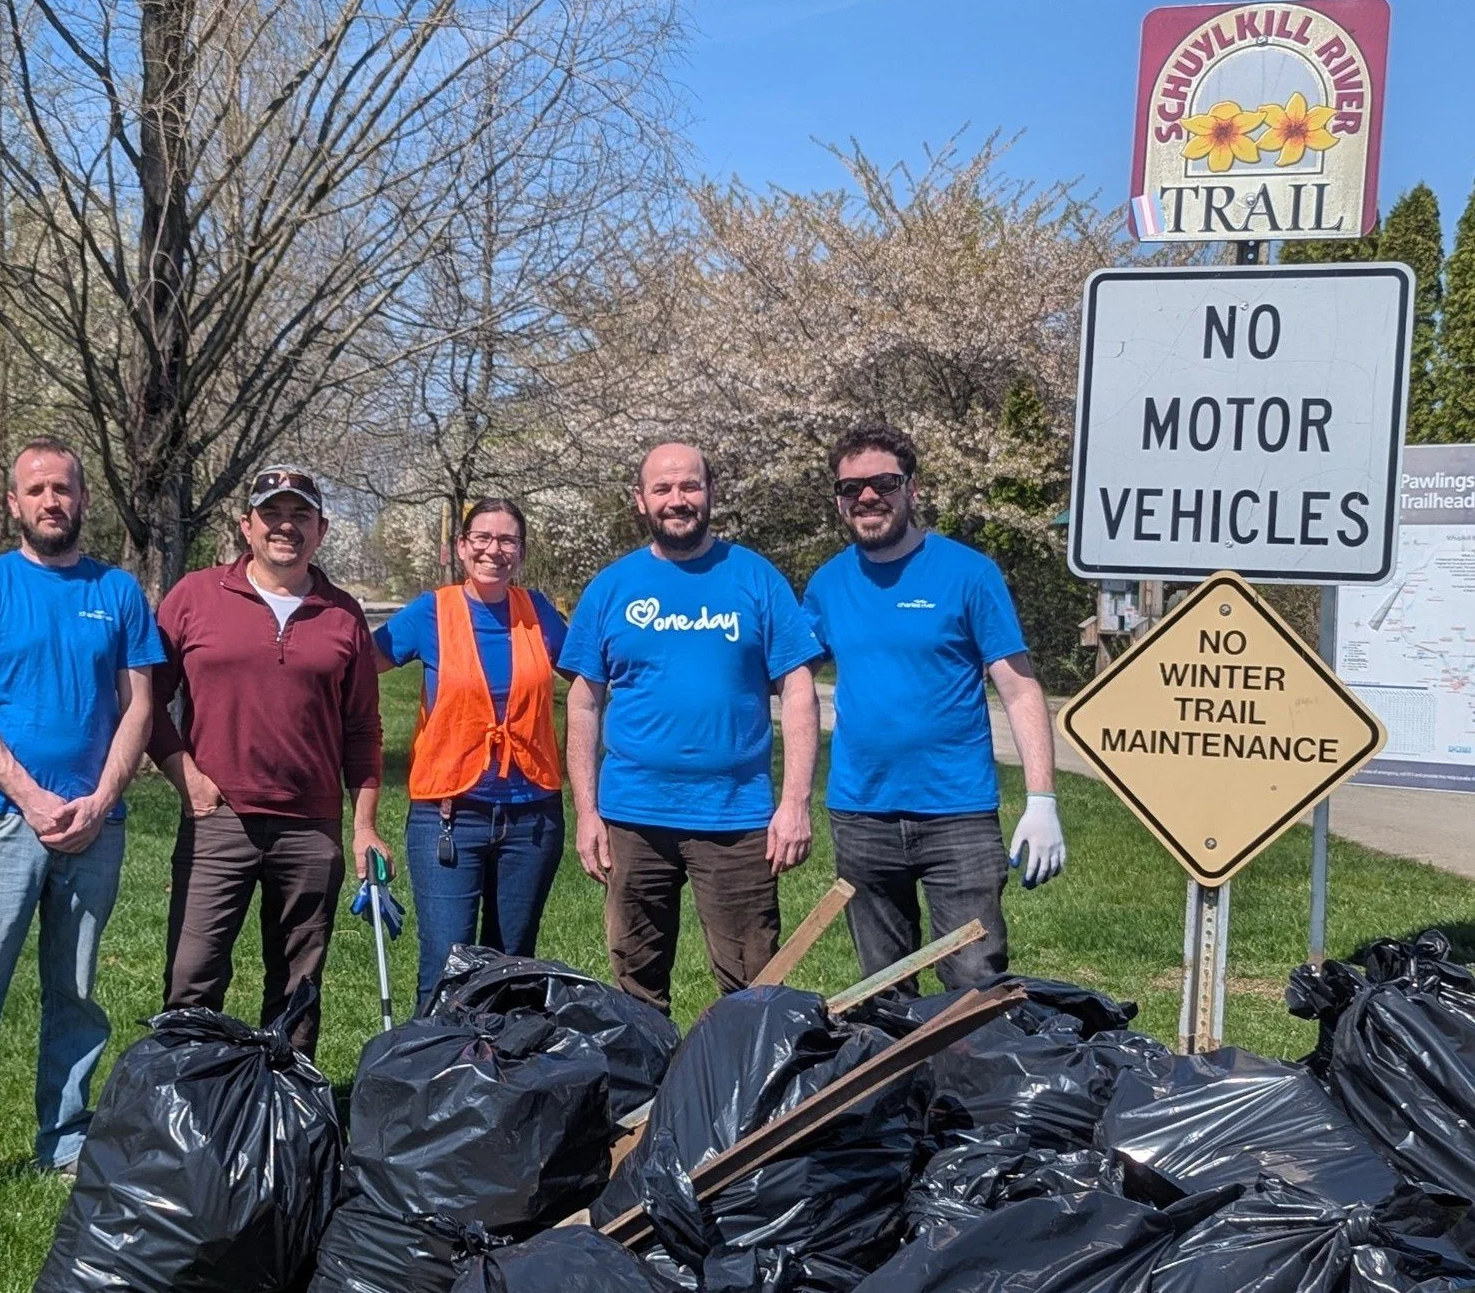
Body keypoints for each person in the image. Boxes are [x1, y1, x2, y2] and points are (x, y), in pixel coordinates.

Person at [0, 438, 162, 1179]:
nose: (52, 501)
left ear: (84, 499)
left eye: (65, 488)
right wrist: (34, 796)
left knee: (75, 991)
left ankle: (66, 1142)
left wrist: (102, 799)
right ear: (14, 503)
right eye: (37, 489)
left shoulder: (118, 593)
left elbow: (137, 708)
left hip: (93, 828)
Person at [802, 422, 1065, 994]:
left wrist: (1042, 800)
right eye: (852, 488)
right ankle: (901, 1086)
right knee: (882, 990)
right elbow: (793, 682)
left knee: (973, 983)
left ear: (912, 490)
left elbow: (1020, 688)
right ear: (839, 501)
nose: (868, 497)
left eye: (883, 483)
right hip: (861, 813)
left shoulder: (968, 574)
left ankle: (970, 1084)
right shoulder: (826, 585)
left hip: (957, 814)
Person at [560, 442, 822, 1014]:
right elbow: (583, 702)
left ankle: (749, 1096)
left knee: (754, 981)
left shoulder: (755, 577)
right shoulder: (611, 587)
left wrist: (795, 802)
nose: (677, 501)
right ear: (640, 500)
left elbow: (798, 690)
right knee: (636, 981)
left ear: (711, 492)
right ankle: (647, 1095)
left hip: (735, 816)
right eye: (663, 489)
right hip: (632, 816)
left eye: (689, 487)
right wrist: (586, 811)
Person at [148, 465, 386, 1057]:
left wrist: (364, 827)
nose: (286, 527)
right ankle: (190, 1107)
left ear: (321, 529)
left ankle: (285, 1114)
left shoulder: (342, 613)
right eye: (273, 514)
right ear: (246, 525)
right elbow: (145, 702)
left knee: (297, 986)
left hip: (310, 829)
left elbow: (363, 728)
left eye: (301, 515)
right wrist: (189, 779)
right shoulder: (194, 597)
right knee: (194, 975)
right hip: (217, 819)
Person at [374, 497, 569, 1008]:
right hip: (449, 817)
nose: (494, 550)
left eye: (507, 540)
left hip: (532, 818)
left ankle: (502, 1078)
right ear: (461, 547)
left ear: (521, 551)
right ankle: (433, 1079)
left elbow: (596, 673)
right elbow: (351, 668)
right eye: (481, 538)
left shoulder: (538, 612)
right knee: (445, 966)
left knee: (513, 965)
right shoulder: (431, 612)